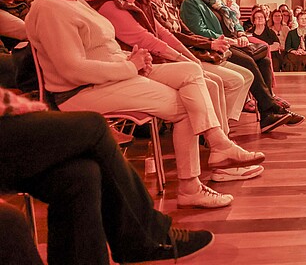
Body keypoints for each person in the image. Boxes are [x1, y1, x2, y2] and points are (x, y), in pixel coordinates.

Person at [24, 0, 259, 209]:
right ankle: (191, 186)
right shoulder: (50, 9)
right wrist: (129, 65)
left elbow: (101, 49)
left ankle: (218, 145)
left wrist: (133, 59)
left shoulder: (73, 3)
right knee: (186, 105)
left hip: (116, 75)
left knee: (190, 71)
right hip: (84, 92)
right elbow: (73, 69)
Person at [84, 0, 263, 183]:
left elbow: (164, 33)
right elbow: (143, 39)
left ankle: (223, 151)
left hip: (149, 63)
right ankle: (220, 154)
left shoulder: (132, 0)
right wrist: (185, 59)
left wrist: (190, 57)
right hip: (136, 68)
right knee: (206, 81)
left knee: (211, 79)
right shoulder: (109, 3)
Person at [0, 87, 214, 264]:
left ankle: (142, 237)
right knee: (94, 127)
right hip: (79, 88)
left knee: (80, 175)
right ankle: (144, 236)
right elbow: (70, 68)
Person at [179, 0, 302, 133]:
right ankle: (270, 110)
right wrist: (229, 40)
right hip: (213, 47)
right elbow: (198, 32)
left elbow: (234, 21)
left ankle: (268, 113)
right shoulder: (190, 2)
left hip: (231, 43)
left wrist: (241, 34)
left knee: (264, 61)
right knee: (249, 62)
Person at [141, 0, 254, 141]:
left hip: (189, 53)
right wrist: (210, 44)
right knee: (229, 80)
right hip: (170, 59)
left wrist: (212, 42)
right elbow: (173, 37)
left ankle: (221, 128)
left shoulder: (168, 6)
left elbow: (184, 32)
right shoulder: (147, 8)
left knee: (246, 74)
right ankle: (215, 134)